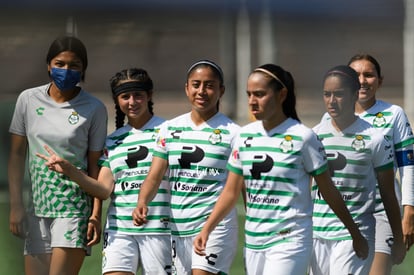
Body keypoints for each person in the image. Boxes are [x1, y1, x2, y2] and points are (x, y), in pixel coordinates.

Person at [193, 64, 368, 275]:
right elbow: (230, 192)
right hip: (254, 242)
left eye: (259, 94)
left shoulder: (303, 137)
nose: (251, 101)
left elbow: (328, 191)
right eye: (249, 94)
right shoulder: (244, 136)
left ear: (281, 94)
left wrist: (354, 233)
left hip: (290, 240)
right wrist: (207, 229)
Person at [36, 68, 173, 274]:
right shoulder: (113, 140)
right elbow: (103, 190)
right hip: (120, 230)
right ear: (117, 100)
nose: (132, 102)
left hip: (160, 229)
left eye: (138, 95)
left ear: (149, 96)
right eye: (125, 96)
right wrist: (71, 171)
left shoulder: (169, 130)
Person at [8, 36, 108, 275]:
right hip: (37, 208)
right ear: (48, 65)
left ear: (83, 68)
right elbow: (16, 156)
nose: (66, 70)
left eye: (74, 65)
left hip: (73, 209)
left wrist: (95, 215)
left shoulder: (94, 108)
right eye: (60, 63)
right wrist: (16, 206)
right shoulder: (27, 99)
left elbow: (95, 166)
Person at [132, 60, 240, 275]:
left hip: (216, 226)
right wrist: (142, 201)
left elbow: (239, 187)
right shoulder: (168, 129)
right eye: (196, 84)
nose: (202, 91)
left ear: (221, 90)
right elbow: (154, 176)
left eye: (209, 85)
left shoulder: (234, 133)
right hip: (179, 227)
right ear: (187, 88)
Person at [310, 65, 405, 275]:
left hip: (356, 234)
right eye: (327, 94)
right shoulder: (313, 136)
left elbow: (388, 193)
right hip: (318, 235)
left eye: (339, 94)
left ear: (355, 94)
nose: (332, 101)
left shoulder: (375, 138)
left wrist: (398, 239)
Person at [347, 54, 414, 275]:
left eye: (369, 75)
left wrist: (409, 212)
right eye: (356, 75)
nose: (362, 80)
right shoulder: (330, 118)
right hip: (342, 215)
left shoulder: (394, 115)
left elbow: (408, 167)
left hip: (382, 213)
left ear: (380, 81)